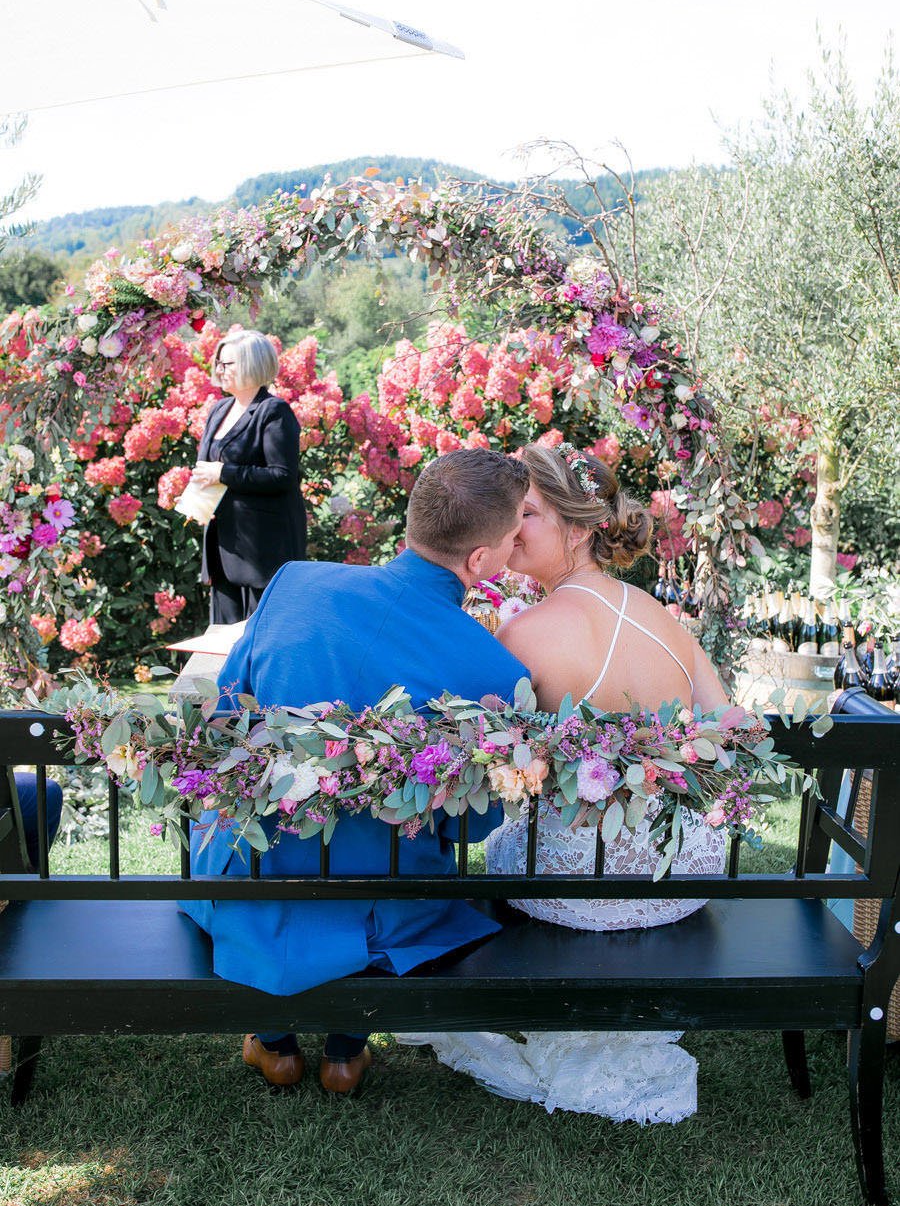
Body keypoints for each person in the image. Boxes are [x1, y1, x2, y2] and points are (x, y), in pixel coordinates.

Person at [180, 449, 530, 1094]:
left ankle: (275, 1044)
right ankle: (345, 1052)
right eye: (513, 536)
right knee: (389, 864)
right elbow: (472, 824)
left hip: (258, 873)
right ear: (480, 560)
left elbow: (229, 709)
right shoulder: (493, 670)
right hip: (384, 896)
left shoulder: (295, 583)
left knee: (263, 852)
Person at [404, 442, 729, 1124]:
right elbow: (738, 725)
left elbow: (485, 764)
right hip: (682, 875)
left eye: (527, 514)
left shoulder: (525, 632)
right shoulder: (666, 618)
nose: (510, 529)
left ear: (579, 528)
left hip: (585, 881)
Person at [192, 329, 307, 625]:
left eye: (227, 363)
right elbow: (209, 466)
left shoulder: (274, 411)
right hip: (223, 543)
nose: (219, 369)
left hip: (262, 549)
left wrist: (224, 473)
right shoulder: (219, 409)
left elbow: (282, 475)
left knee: (262, 634)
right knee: (223, 638)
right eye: (218, 362)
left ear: (252, 364)